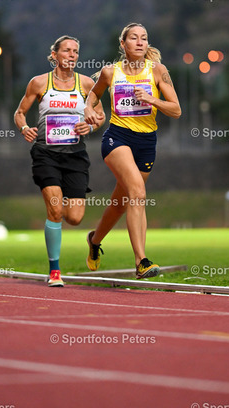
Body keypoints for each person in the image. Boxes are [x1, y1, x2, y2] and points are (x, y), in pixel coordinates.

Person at [83, 22, 181, 279]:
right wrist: (88, 109)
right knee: (137, 193)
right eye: (134, 38)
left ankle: (94, 240)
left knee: (120, 203)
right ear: (123, 43)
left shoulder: (158, 71)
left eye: (144, 38)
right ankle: (141, 261)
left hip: (146, 143)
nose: (139, 42)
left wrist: (152, 99)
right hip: (117, 138)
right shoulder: (110, 72)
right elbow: (92, 96)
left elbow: (176, 109)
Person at [14, 35, 104, 287]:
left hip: (75, 155)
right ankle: (55, 270)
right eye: (67, 50)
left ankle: (63, 220)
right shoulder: (39, 83)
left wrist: (90, 126)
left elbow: (100, 115)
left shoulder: (86, 84)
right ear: (54, 55)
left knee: (74, 218)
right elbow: (20, 113)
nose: (72, 55)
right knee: (54, 210)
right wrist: (24, 128)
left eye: (75, 51)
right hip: (46, 153)